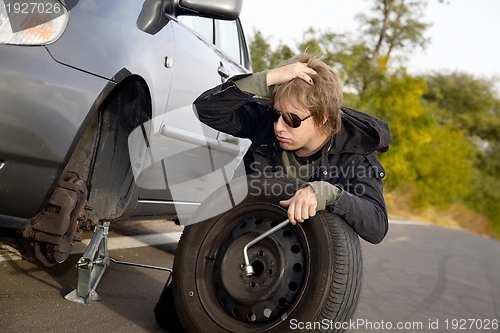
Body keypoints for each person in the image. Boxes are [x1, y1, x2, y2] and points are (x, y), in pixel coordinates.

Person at [193, 53, 392, 244]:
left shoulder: (354, 155)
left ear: (322, 117)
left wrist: (328, 194)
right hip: (240, 235)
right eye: (275, 114)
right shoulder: (266, 123)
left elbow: (377, 225)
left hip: (303, 259)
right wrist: (269, 77)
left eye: (291, 119)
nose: (278, 126)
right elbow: (205, 109)